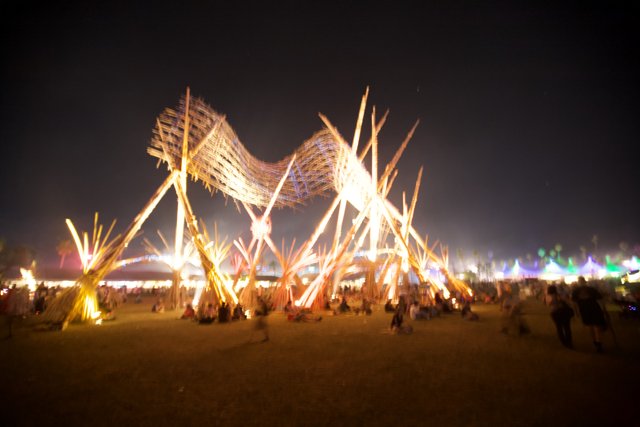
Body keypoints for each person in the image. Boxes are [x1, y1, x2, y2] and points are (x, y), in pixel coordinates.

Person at [571, 276, 607, 353]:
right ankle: (598, 343)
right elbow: (600, 299)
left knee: (592, 326)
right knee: (595, 326)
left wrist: (576, 312)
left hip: (586, 310)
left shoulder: (576, 291)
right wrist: (603, 309)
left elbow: (574, 303)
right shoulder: (590, 289)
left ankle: (596, 343)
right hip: (593, 309)